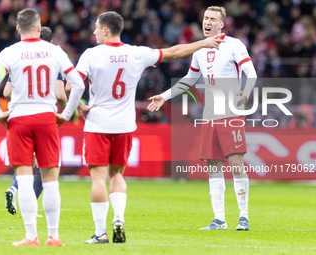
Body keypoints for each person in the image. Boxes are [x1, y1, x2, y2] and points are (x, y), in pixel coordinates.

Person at [73, 11, 224, 244]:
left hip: (98, 123)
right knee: (117, 175)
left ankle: (100, 232)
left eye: (96, 28)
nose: (93, 32)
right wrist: (204, 43)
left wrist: (79, 107)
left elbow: (72, 84)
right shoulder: (137, 53)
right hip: (124, 125)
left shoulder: (90, 55)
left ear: (105, 30)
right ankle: (119, 219)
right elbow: (174, 52)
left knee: (98, 178)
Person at [148, 6, 257, 231]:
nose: (207, 22)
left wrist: (245, 93)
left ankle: (243, 216)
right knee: (213, 165)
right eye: (205, 18)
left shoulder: (234, 45)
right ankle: (219, 219)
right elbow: (189, 79)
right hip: (210, 115)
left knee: (236, 163)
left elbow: (251, 73)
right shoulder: (199, 50)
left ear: (221, 24)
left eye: (212, 19)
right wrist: (165, 96)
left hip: (231, 113)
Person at [0, 8, 84, 246]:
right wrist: (67, 114)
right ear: (39, 28)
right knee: (50, 180)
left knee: (25, 179)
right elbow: (77, 84)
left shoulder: (9, 53)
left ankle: (31, 237)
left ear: (18, 28)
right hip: (47, 118)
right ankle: (54, 236)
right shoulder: (55, 51)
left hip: (19, 119)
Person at [3, 26, 67, 216]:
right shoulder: (55, 58)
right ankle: (33, 209)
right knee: (47, 165)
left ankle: (14, 190)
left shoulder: (18, 56)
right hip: (44, 116)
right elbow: (60, 93)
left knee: (25, 162)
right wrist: (69, 108)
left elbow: (5, 92)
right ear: (52, 43)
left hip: (19, 116)